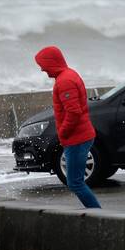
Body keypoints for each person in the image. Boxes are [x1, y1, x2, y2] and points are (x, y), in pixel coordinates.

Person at [34, 46, 101, 208]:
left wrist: (62, 134)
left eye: (43, 65)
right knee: (75, 182)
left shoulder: (65, 81)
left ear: (51, 63)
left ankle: (99, 215)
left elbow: (74, 112)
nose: (42, 69)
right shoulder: (68, 75)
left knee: (75, 183)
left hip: (77, 138)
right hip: (80, 136)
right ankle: (97, 214)